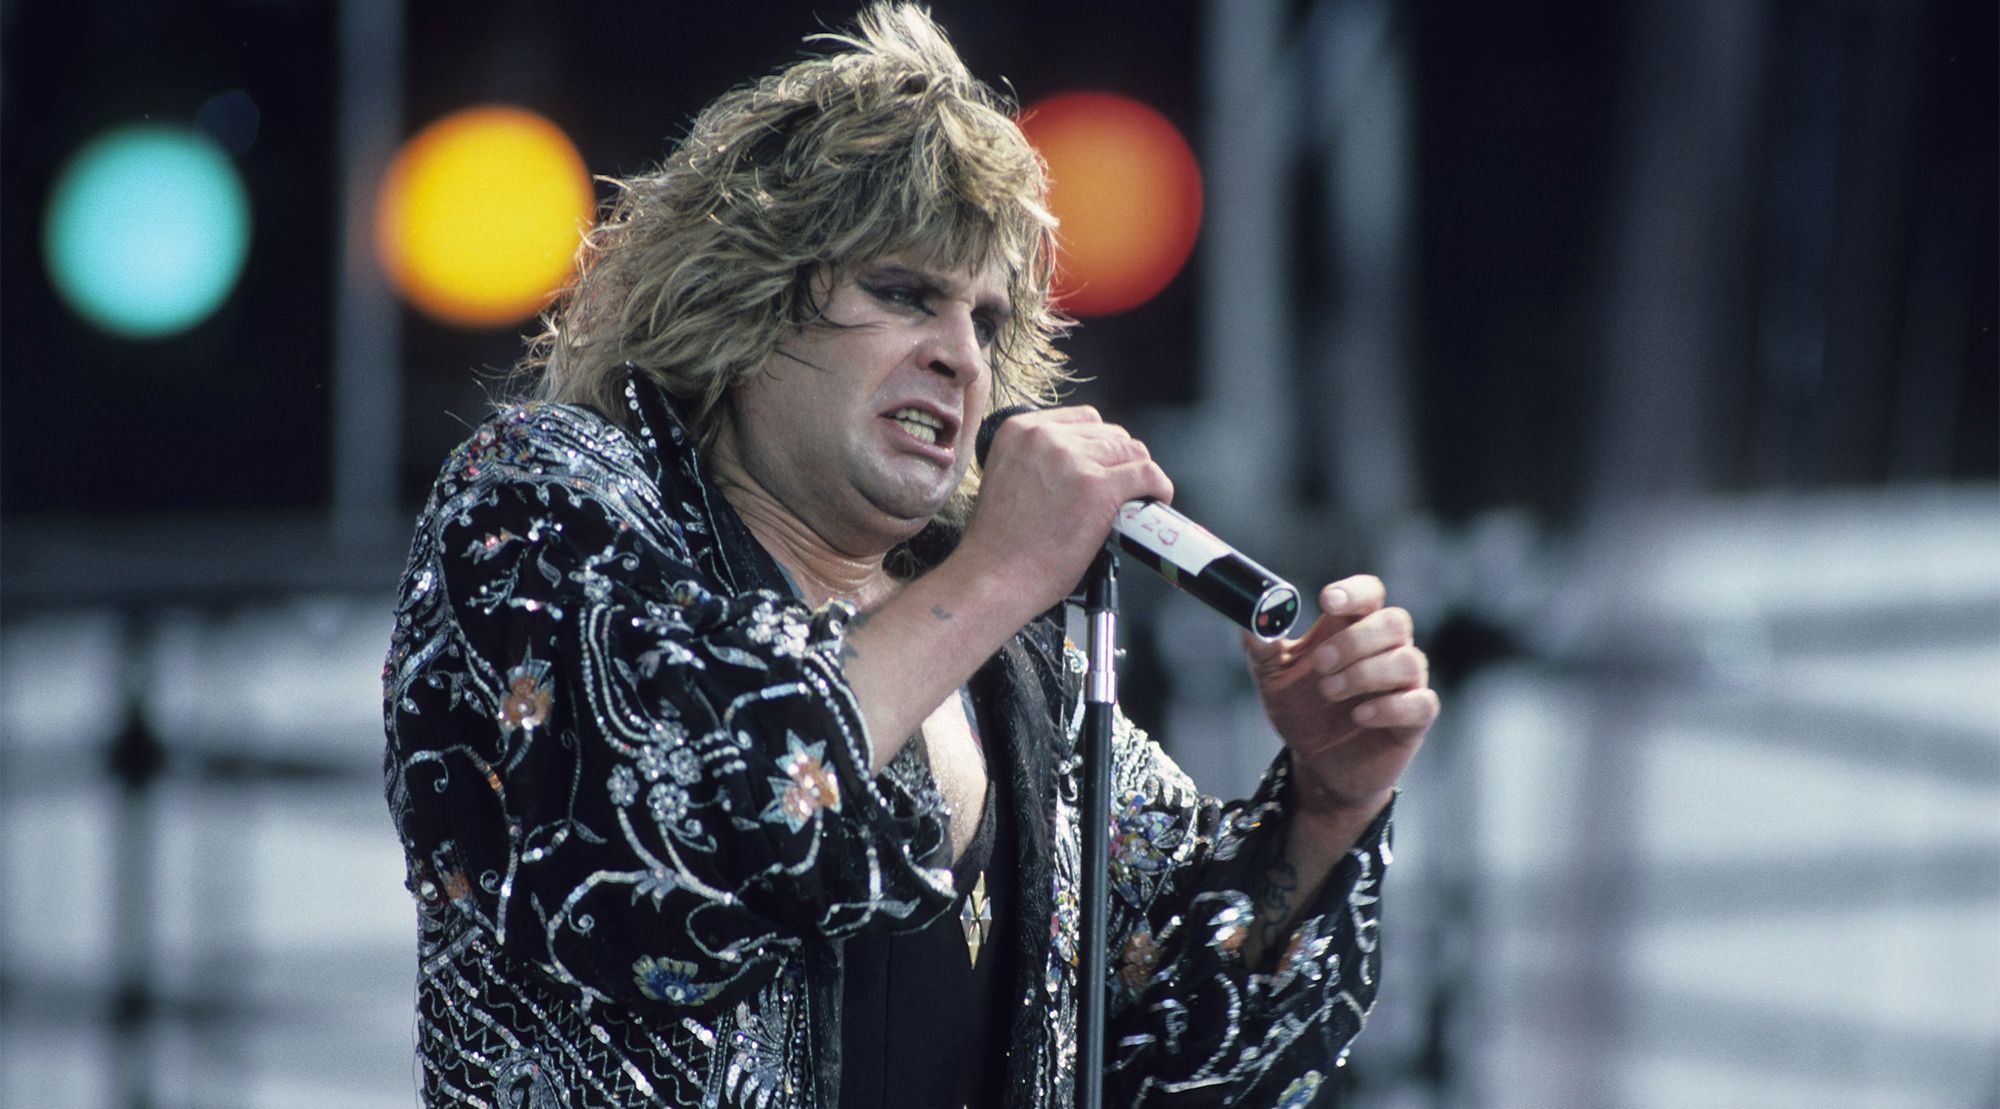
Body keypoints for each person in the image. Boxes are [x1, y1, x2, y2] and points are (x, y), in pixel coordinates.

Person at [381, 5, 1437, 1106]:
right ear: (747, 297)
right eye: (903, 294)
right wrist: (994, 577)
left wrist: (1325, 801)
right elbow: (666, 841)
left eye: (986, 322)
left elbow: (1174, 1037)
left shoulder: (1011, 668)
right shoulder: (548, 501)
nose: (959, 357)